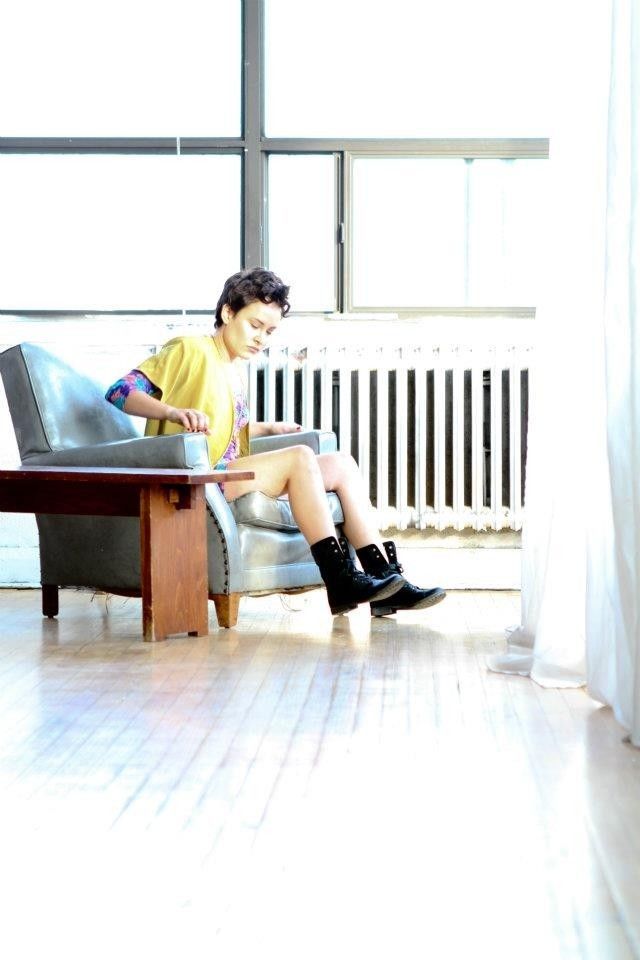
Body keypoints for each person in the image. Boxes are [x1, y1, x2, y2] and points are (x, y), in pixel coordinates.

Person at [105, 268, 445, 617]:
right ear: (228, 313)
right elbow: (119, 391)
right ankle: (340, 579)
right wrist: (172, 412)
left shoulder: (232, 368)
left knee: (341, 464)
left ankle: (385, 578)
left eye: (269, 331)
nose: (261, 339)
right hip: (194, 479)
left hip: (224, 474)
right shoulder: (190, 349)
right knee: (299, 457)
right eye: (254, 325)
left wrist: (267, 428)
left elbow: (222, 432)